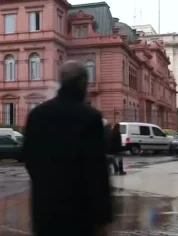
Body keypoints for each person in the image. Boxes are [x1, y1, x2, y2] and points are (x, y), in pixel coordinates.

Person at [23, 60, 113, 236]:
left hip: (45, 211)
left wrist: (46, 185)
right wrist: (102, 218)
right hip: (80, 213)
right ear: (81, 83)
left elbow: (28, 159)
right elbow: (97, 172)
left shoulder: (37, 115)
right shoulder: (90, 117)